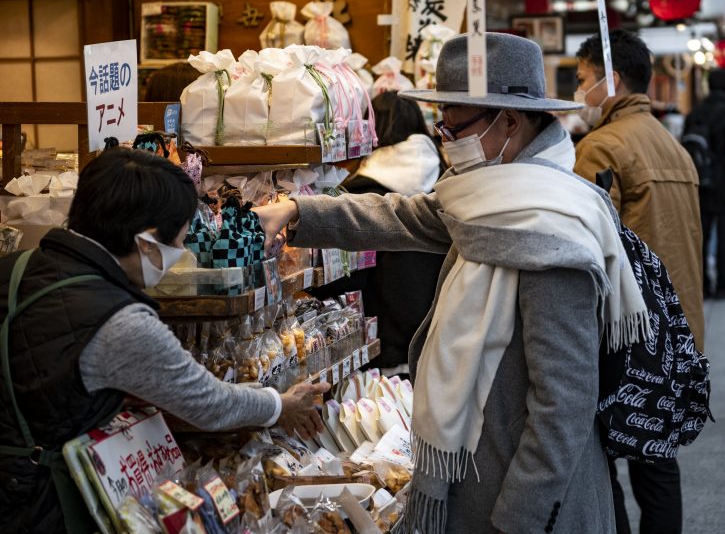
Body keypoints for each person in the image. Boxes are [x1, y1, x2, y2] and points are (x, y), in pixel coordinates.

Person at [254, 33, 649, 534]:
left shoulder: (548, 231)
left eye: (455, 124)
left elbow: (563, 406)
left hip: (527, 508)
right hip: (479, 484)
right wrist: (295, 209)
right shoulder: (489, 202)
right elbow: (399, 215)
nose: (445, 137)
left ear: (509, 121)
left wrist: (517, 519)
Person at [0, 149, 328, 533]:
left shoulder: (15, 265)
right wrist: (280, 404)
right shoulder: (119, 319)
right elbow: (206, 402)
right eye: (179, 242)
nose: (181, 255)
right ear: (147, 242)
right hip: (39, 502)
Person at [572, 29, 704, 534]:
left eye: (584, 79)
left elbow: (585, 249)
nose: (580, 90)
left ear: (614, 79)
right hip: (676, 327)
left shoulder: (601, 147)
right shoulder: (672, 145)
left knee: (602, 460)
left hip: (625, 332)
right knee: (656, 459)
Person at [312, 91, 446, 374]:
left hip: (380, 348)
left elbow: (344, 279)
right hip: (438, 343)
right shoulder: (446, 182)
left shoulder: (361, 193)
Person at [683, 67, 725, 300]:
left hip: (699, 182)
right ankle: (722, 284)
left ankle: (703, 284)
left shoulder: (694, 114)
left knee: (702, 236)